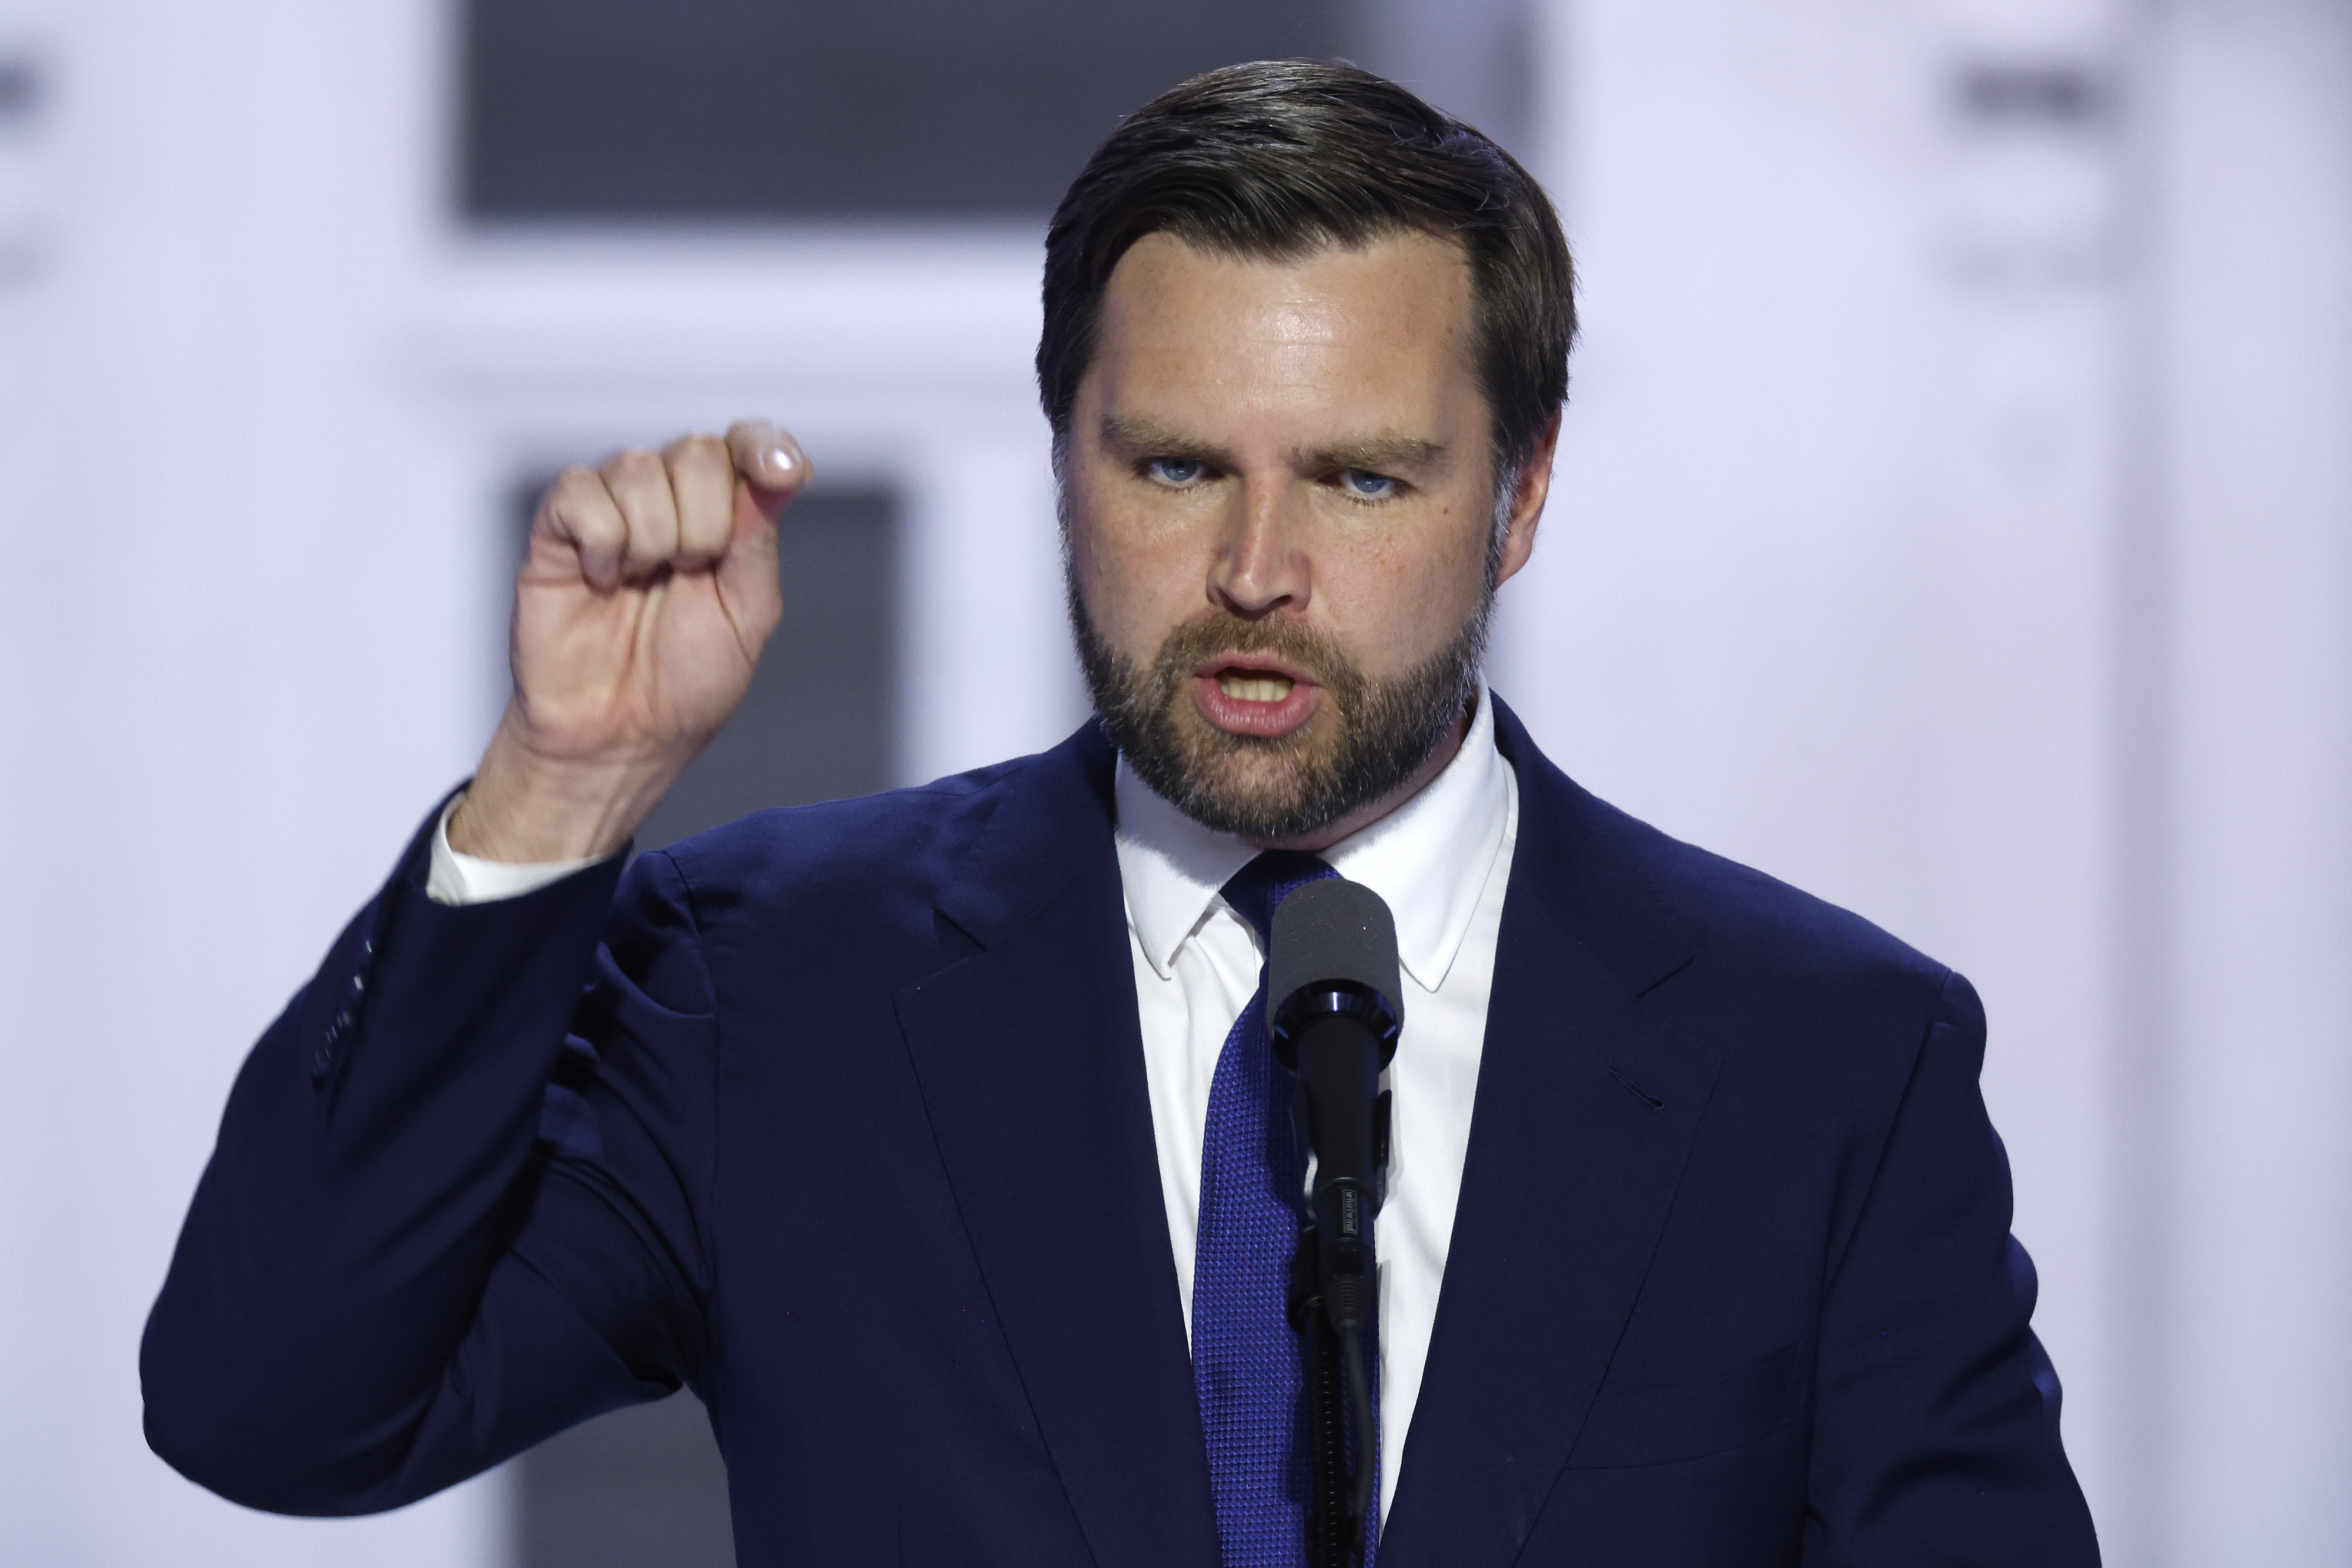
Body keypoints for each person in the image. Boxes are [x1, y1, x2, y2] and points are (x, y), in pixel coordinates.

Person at [142, 59, 2100, 1567]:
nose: (1255, 567)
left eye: (1360, 481)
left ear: (1518, 495)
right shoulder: (775, 991)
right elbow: (274, 1405)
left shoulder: (1823, 1059)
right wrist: (563, 785)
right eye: (1173, 464)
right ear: (1061, 459)